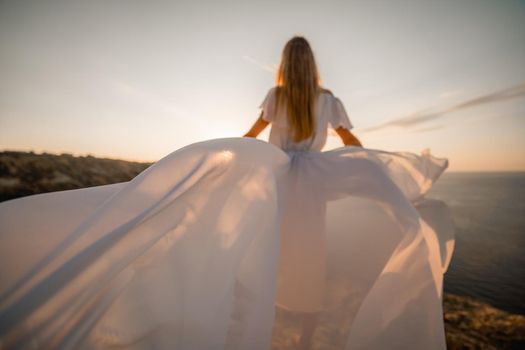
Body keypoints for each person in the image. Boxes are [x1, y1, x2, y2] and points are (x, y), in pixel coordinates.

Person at [0, 36, 454, 350]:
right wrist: (375, 170)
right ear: (312, 64)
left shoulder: (275, 93)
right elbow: (350, 142)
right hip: (316, 182)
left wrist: (226, 167)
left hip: (278, 180)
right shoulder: (328, 96)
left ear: (284, 63)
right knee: (310, 254)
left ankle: (263, 319)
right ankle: (303, 340)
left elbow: (252, 136)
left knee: (265, 249)